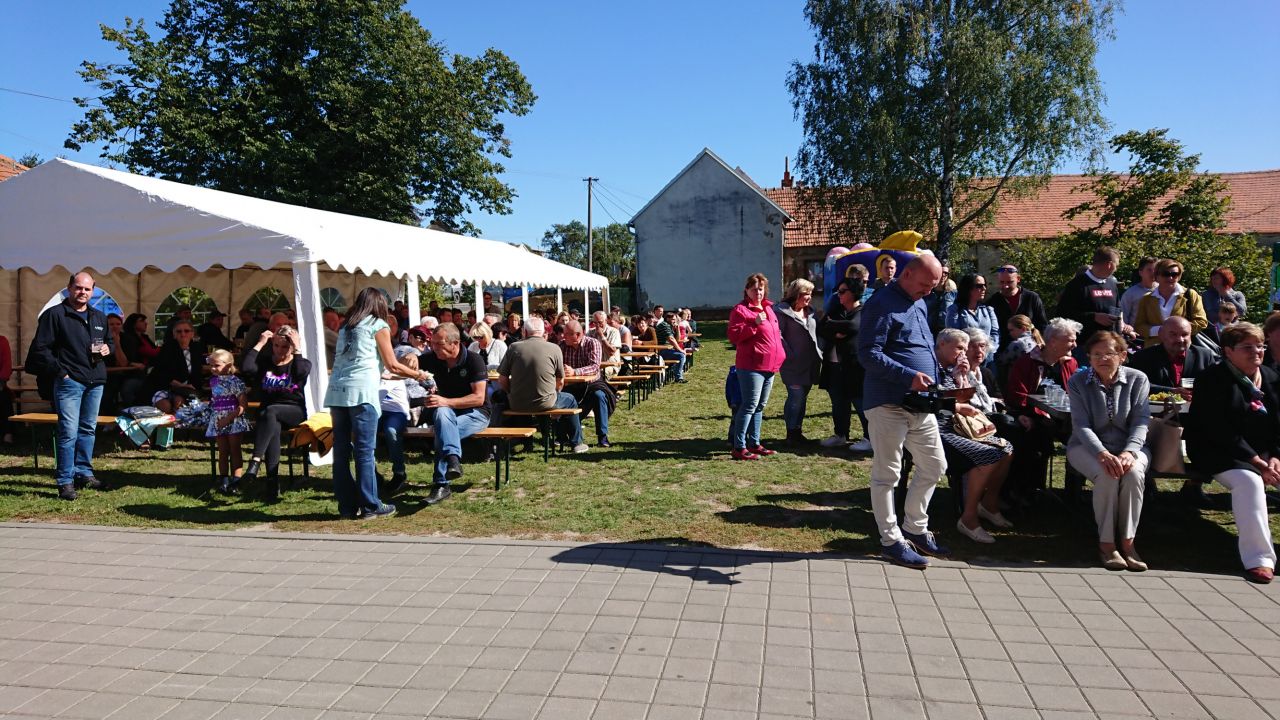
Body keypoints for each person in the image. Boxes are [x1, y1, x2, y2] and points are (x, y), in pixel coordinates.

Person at [856, 254, 951, 568]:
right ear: (907, 274)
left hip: (920, 403)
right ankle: (891, 541)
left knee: (934, 465)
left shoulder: (918, 301)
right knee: (887, 474)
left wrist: (940, 371)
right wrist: (908, 375)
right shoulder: (881, 304)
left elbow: (919, 346)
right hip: (887, 402)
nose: (928, 291)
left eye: (933, 286)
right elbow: (868, 354)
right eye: (925, 284)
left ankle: (915, 528)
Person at [1186, 323, 1280, 584]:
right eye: (1247, 347)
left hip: (1263, 453)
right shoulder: (1211, 379)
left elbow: (1278, 425)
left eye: (1260, 346)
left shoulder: (1272, 377)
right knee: (1249, 482)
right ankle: (1259, 559)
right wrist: (1258, 462)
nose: (1256, 352)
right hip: (1219, 451)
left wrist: (1275, 456)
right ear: (1228, 351)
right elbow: (1218, 429)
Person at [324, 287, 428, 520]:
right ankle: (370, 505)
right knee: (364, 451)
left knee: (341, 451)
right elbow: (392, 364)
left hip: (337, 392)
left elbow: (375, 366)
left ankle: (346, 507)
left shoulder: (346, 327)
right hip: (362, 394)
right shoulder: (377, 325)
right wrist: (418, 375)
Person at [1066, 331, 1152, 571]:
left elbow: (1141, 421)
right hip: (1087, 446)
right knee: (1107, 474)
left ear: (1122, 356)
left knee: (1133, 473)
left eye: (1109, 353)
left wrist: (1130, 451)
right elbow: (1081, 425)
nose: (1102, 359)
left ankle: (1128, 543)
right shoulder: (1078, 382)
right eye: (1096, 354)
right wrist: (1101, 453)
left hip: (1131, 446)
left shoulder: (1138, 379)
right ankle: (1107, 544)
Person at [26, 272, 114, 500]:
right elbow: (40, 350)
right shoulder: (54, 315)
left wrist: (108, 349)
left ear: (93, 291)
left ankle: (84, 473)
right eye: (78, 287)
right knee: (68, 432)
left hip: (95, 382)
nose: (82, 292)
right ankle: (65, 481)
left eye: (87, 289)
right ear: (69, 288)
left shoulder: (99, 317)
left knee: (88, 429)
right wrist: (61, 372)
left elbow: (110, 343)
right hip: (70, 382)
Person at [934, 329, 1014, 544]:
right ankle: (968, 518)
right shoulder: (931, 367)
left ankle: (988, 504)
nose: (963, 353)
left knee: (1006, 449)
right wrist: (958, 406)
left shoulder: (950, 369)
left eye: (964, 348)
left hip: (957, 427)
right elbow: (932, 402)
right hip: (938, 430)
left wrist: (960, 378)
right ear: (942, 345)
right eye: (959, 348)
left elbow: (962, 398)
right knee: (989, 455)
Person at [1005, 317, 1082, 502]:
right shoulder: (1027, 362)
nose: (1075, 344)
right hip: (1031, 414)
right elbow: (1017, 394)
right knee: (1034, 437)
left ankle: (1073, 493)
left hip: (1065, 418)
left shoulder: (1070, 363)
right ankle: (1026, 491)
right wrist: (1028, 414)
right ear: (1053, 341)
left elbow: (1076, 393)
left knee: (1082, 437)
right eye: (1070, 340)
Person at [238, 325, 312, 500]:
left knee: (270, 412)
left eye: (285, 347)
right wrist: (260, 343)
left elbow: (300, 373)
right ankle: (272, 486)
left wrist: (297, 348)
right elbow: (246, 368)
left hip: (294, 410)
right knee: (272, 426)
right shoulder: (266, 363)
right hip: (269, 415)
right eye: (276, 345)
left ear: (292, 347)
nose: (279, 350)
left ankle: (255, 461)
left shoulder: (301, 362)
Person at [498, 316, 589, 454]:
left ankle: (527, 444)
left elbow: (502, 379)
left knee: (526, 400)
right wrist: (555, 392)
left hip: (517, 402)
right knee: (570, 399)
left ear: (525, 332)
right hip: (546, 401)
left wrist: (511, 392)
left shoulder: (513, 347)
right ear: (543, 332)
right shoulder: (554, 348)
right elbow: (560, 380)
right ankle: (576, 443)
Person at [728, 273, 786, 460]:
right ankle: (739, 447)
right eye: (754, 289)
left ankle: (754, 443)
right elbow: (734, 336)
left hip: (770, 365)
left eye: (761, 289)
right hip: (751, 366)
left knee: (760, 406)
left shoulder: (769, 308)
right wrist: (754, 323)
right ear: (746, 290)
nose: (758, 292)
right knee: (749, 405)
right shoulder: (741, 310)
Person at [818, 272, 871, 452]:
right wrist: (836, 332)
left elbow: (853, 326)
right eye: (838, 291)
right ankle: (840, 435)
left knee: (860, 403)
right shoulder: (837, 310)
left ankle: (870, 437)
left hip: (854, 367)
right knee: (838, 402)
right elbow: (821, 327)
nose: (839, 295)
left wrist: (832, 325)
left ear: (853, 292)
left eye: (842, 291)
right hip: (834, 366)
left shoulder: (862, 311)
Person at [1054, 246, 1132, 354]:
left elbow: (1117, 311)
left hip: (1110, 347)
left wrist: (1121, 334)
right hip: (1084, 348)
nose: (1116, 269)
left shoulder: (1111, 284)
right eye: (1116, 265)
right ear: (1109, 265)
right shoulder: (1077, 285)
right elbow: (1063, 315)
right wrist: (1094, 317)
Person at [776, 278, 822, 445]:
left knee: (802, 398)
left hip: (810, 363)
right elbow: (778, 336)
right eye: (805, 293)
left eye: (811, 293)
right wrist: (790, 354)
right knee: (796, 396)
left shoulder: (811, 312)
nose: (809, 297)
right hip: (791, 364)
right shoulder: (781, 312)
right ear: (796, 294)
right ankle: (791, 432)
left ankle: (797, 430)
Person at [559, 320, 614, 448]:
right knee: (562, 398)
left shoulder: (592, 343)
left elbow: (594, 367)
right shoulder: (562, 346)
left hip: (592, 384)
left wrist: (575, 371)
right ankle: (562, 435)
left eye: (567, 334)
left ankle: (602, 436)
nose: (563, 336)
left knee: (599, 396)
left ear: (578, 335)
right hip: (572, 385)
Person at [1129, 317, 1216, 397]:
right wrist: (1171, 391)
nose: (1180, 339)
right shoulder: (1144, 357)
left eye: (1185, 334)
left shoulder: (1204, 356)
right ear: (1161, 334)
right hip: (1156, 408)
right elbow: (1138, 384)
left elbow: (1214, 384)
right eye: (1173, 334)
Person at [206, 349, 250, 495]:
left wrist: (228, 419)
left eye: (217, 365)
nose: (213, 368)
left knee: (235, 449)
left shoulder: (235, 382)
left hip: (233, 419)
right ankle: (224, 479)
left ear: (228, 365)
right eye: (211, 365)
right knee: (223, 451)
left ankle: (236, 480)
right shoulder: (213, 381)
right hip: (219, 419)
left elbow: (243, 405)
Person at [1133, 258, 1208, 340]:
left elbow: (1202, 322)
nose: (1170, 278)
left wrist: (1175, 331)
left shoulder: (1190, 295)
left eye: (1175, 274)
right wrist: (1158, 330)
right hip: (1154, 346)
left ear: (1179, 276)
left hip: (1181, 344)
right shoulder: (1147, 299)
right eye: (1166, 274)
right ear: (1157, 276)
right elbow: (1139, 326)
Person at [147, 318, 205, 414]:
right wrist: (181, 385)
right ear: (174, 335)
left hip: (185, 390)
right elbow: (161, 374)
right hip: (164, 387)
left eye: (186, 331)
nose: (183, 334)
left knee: (179, 403)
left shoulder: (196, 348)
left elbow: (197, 372)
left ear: (192, 334)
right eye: (179, 331)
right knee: (165, 406)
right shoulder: (167, 349)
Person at [987, 265, 1046, 354]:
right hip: (1004, 354)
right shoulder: (993, 302)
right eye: (1002, 282)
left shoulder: (1031, 298)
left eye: (1009, 282)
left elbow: (1042, 324)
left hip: (1031, 351)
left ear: (1018, 279)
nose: (1005, 286)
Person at [944, 273, 1000, 358]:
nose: (984, 288)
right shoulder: (955, 310)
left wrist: (989, 351)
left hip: (987, 357)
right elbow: (954, 335)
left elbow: (995, 333)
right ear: (968, 288)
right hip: (965, 357)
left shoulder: (989, 310)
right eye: (979, 286)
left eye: (985, 285)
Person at [1119, 256, 1157, 328]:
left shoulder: (1163, 290)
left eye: (1155, 270)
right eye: (1149, 270)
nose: (1153, 273)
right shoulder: (1130, 293)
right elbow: (1123, 318)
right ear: (1141, 272)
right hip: (1136, 333)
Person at [654, 311, 688, 383]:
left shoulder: (669, 326)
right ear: (667, 319)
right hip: (661, 351)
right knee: (681, 355)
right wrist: (680, 350)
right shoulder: (664, 325)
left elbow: (677, 340)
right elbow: (671, 339)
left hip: (667, 349)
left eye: (675, 319)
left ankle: (675, 373)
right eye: (673, 319)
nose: (674, 321)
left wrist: (677, 328)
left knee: (682, 354)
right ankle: (678, 378)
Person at [923, 264, 957, 334]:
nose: (943, 275)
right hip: (927, 330)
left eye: (946, 273)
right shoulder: (926, 291)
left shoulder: (952, 293)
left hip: (946, 332)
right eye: (941, 272)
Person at [589, 311, 621, 378]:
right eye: (595, 323)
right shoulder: (590, 333)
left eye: (600, 322)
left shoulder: (614, 332)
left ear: (606, 321)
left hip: (611, 366)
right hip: (594, 366)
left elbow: (611, 352)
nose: (597, 325)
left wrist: (601, 335)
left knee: (599, 373)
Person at [0, 334, 11, 444]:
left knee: (4, 397)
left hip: (0, 383)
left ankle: (8, 433)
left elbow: (6, 365)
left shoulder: (2, 341)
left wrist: (1, 383)